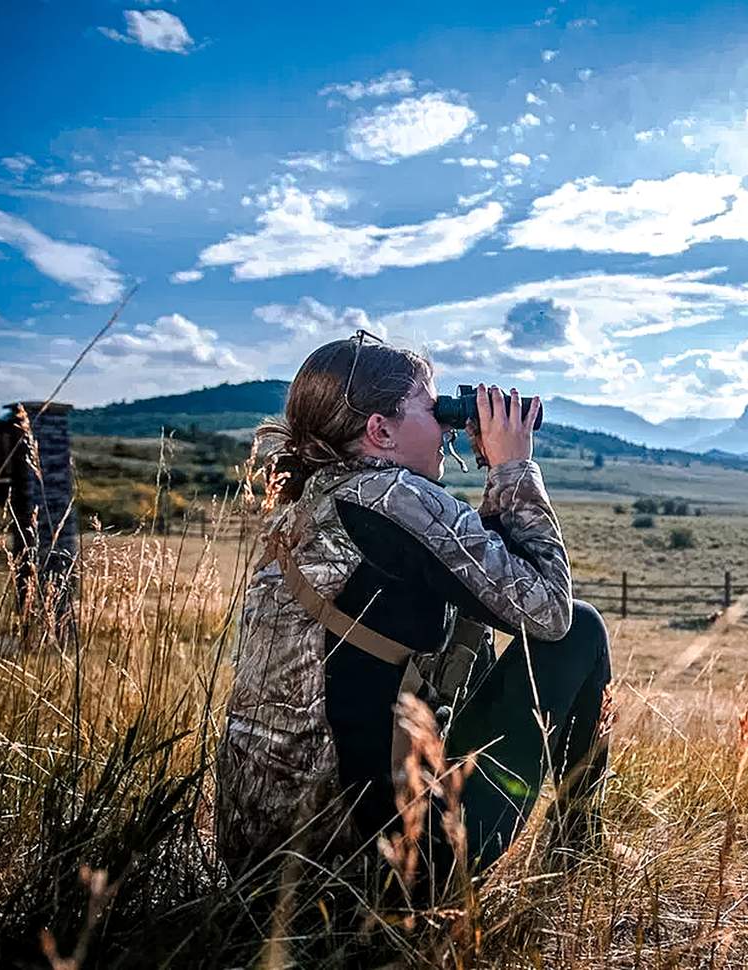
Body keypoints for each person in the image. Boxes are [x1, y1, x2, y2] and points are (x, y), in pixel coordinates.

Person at [216, 332, 611, 893]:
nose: (448, 425)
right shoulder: (394, 497)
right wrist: (513, 470)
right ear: (380, 431)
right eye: (433, 408)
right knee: (583, 630)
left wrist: (492, 478)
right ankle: (581, 859)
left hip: (269, 869)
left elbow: (486, 583)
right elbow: (547, 611)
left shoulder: (309, 504)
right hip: (376, 871)